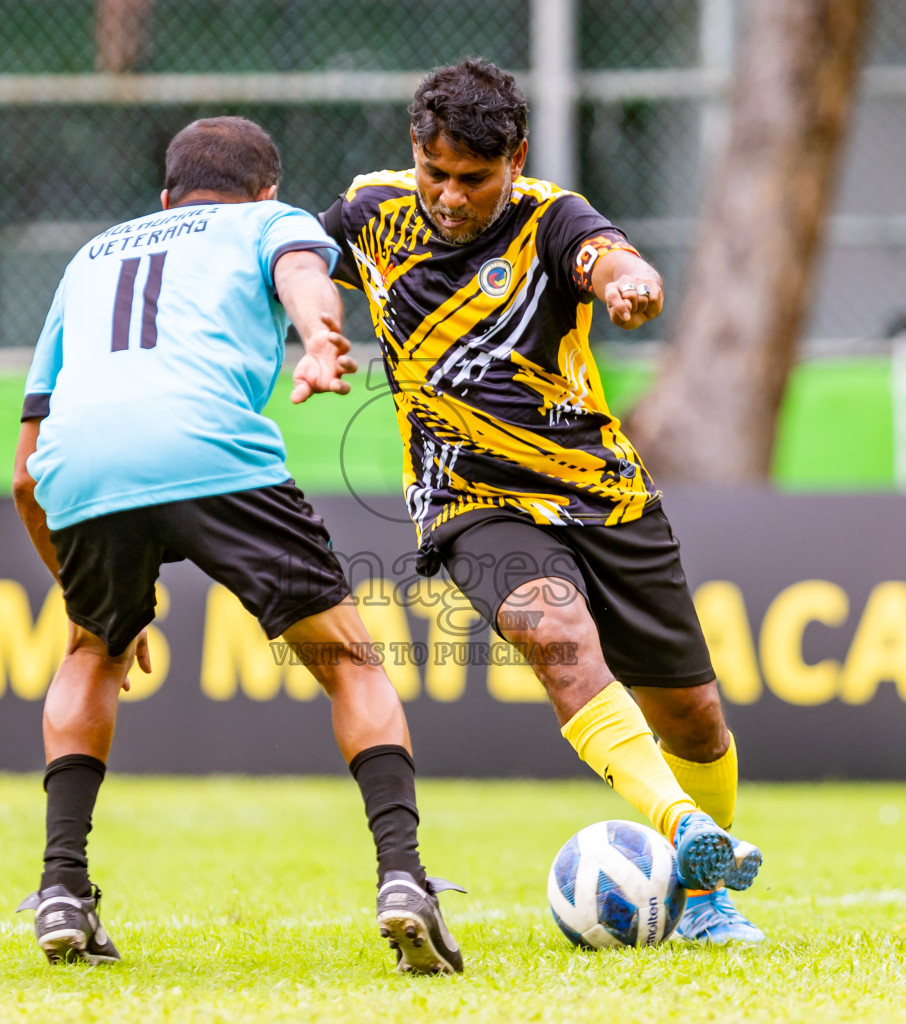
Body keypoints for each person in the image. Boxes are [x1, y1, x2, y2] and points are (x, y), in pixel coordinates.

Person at [319, 59, 765, 943]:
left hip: (601, 491)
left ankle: (707, 900)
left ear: (515, 159)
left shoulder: (551, 219)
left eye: (472, 179)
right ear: (415, 152)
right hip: (468, 495)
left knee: (694, 716)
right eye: (434, 172)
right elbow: (290, 261)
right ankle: (682, 830)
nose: (449, 196)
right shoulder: (373, 211)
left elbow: (611, 259)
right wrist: (311, 331)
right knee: (552, 630)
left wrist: (627, 284)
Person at [11, 116, 464, 974]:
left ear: (165, 196)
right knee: (350, 664)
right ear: (267, 190)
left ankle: (63, 887)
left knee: (89, 653)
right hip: (207, 447)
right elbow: (302, 271)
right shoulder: (270, 221)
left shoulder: (93, 256)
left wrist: (82, 602)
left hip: (81, 465)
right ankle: (403, 879)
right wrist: (323, 334)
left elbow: (25, 477)